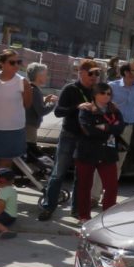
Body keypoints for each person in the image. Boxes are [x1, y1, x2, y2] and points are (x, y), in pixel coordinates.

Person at [37, 59, 98, 221]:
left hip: (86, 138)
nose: (95, 77)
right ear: (81, 73)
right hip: (69, 135)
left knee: (81, 176)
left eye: (97, 73)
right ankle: (48, 206)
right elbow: (58, 112)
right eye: (91, 73)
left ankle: (76, 209)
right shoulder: (70, 89)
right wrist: (77, 107)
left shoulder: (97, 91)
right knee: (58, 173)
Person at [74, 82, 125, 222]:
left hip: (107, 153)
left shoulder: (114, 110)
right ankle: (84, 216)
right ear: (95, 94)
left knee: (111, 186)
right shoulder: (86, 109)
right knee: (85, 186)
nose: (106, 96)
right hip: (87, 152)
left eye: (109, 93)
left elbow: (120, 128)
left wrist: (105, 127)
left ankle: (107, 217)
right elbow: (87, 130)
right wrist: (109, 130)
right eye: (103, 93)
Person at [0, 50, 31, 179]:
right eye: (12, 62)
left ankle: (1, 198)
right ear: (1, 63)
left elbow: (27, 104)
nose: (16, 65)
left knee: (5, 167)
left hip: (13, 130)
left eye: (18, 62)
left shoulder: (23, 82)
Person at [109, 59, 134, 177]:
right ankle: (94, 194)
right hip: (111, 129)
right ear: (126, 72)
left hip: (127, 130)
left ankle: (110, 192)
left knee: (118, 163)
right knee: (104, 160)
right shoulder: (112, 86)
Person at [24, 62, 57, 157]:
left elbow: (34, 107)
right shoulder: (35, 91)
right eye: (45, 74)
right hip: (30, 127)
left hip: (27, 125)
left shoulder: (30, 88)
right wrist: (52, 103)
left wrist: (45, 101)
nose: (47, 77)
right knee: (30, 152)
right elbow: (41, 111)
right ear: (39, 76)